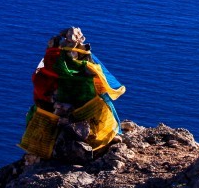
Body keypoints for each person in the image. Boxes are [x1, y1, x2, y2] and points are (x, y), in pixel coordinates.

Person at [18, 27, 125, 161]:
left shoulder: (49, 68)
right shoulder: (85, 69)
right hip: (77, 110)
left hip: (60, 109)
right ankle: (99, 141)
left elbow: (41, 84)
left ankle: (46, 149)